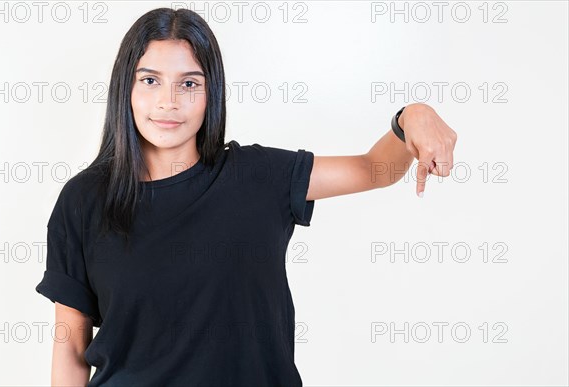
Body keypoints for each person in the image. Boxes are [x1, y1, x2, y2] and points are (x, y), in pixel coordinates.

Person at [35, 7, 457, 387]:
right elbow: (70, 348)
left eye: (189, 83)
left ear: (211, 92)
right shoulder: (84, 200)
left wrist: (411, 116)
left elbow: (373, 169)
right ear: (125, 88)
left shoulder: (259, 176)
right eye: (150, 81)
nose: (168, 102)